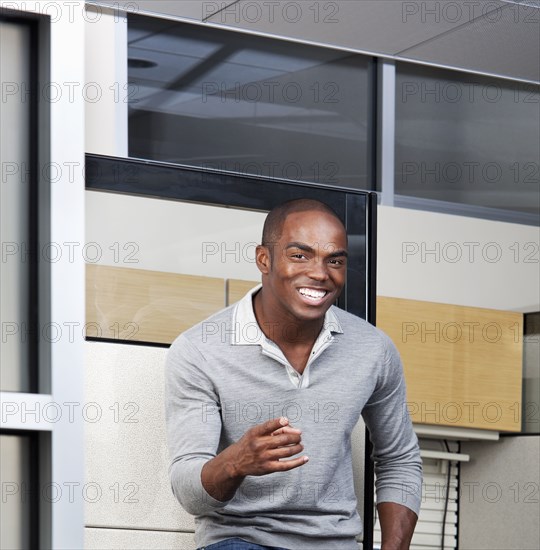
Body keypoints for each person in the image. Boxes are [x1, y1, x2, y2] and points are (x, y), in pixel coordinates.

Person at [165, 199, 422, 550]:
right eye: (300, 255)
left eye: (335, 261)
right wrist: (236, 462)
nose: (320, 273)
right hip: (241, 540)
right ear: (264, 259)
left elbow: (399, 459)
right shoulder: (199, 350)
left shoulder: (373, 349)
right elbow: (188, 492)